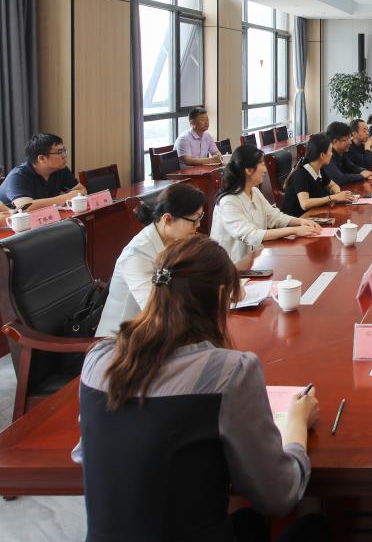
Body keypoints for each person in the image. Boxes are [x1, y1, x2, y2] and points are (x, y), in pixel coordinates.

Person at [73, 236, 326, 541]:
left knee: (249, 521)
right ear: (220, 296)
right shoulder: (229, 372)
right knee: (314, 526)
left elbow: (87, 454)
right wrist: (297, 422)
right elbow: (279, 495)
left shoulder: (97, 360)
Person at [95, 183, 206, 338]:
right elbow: (155, 310)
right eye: (194, 220)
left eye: (200, 217)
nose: (198, 225)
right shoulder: (136, 255)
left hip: (158, 330)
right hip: (122, 340)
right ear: (167, 219)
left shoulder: (174, 239)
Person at [210, 145, 321, 261]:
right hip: (230, 265)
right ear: (249, 170)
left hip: (252, 260)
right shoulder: (228, 201)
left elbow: (275, 217)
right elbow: (251, 235)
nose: (265, 170)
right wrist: (294, 230)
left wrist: (301, 222)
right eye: (262, 164)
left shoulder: (255, 192)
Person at [279, 133, 358, 217]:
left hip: (311, 215)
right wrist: (332, 198)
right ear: (322, 155)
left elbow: (333, 185)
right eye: (330, 151)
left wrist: (338, 195)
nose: (332, 154)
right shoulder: (301, 174)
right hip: (294, 219)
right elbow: (305, 204)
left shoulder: (318, 169)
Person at [0, 133, 86, 210]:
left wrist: (64, 197)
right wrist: (68, 196)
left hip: (47, 216)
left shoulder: (60, 169)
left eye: (64, 151)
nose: (64, 156)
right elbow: (26, 207)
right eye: (60, 152)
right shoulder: (17, 176)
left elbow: (82, 190)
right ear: (41, 158)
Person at [322, 121, 372, 186]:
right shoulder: (327, 155)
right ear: (335, 141)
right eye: (346, 139)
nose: (350, 142)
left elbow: (352, 166)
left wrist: (363, 171)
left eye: (350, 138)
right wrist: (361, 176)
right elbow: (339, 178)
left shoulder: (342, 152)